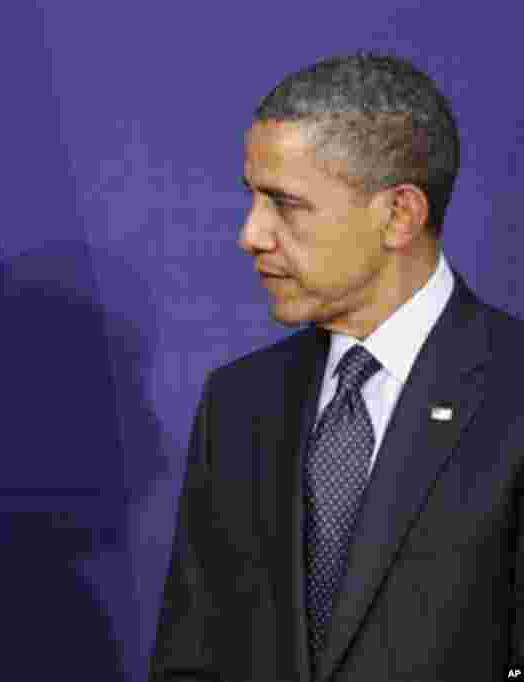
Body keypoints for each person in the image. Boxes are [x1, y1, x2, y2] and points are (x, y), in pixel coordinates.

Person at [150, 53, 524, 681]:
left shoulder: (513, 391)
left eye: (285, 204)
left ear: (398, 215)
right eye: (253, 198)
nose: (251, 234)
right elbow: (193, 659)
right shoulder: (239, 403)